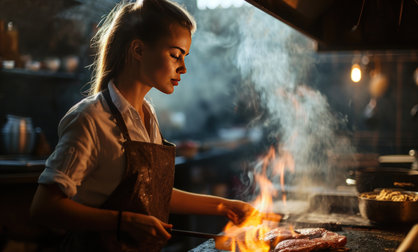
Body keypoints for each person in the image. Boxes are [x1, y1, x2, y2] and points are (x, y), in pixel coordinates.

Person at [30, 0, 263, 251]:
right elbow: (44, 208)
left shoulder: (147, 115)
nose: (183, 68)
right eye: (175, 55)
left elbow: (153, 194)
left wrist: (226, 206)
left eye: (184, 56)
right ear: (138, 50)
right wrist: (124, 221)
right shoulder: (90, 118)